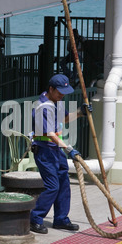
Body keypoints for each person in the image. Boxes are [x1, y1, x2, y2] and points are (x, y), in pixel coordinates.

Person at [30, 73, 92, 234]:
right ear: (50, 89)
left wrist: (80, 112)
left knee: (64, 184)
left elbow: (64, 119)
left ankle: (61, 219)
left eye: (64, 93)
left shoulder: (55, 102)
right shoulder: (42, 106)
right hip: (44, 150)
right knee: (52, 186)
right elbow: (50, 133)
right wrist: (68, 148)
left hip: (56, 150)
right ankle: (35, 218)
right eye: (59, 92)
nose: (62, 96)